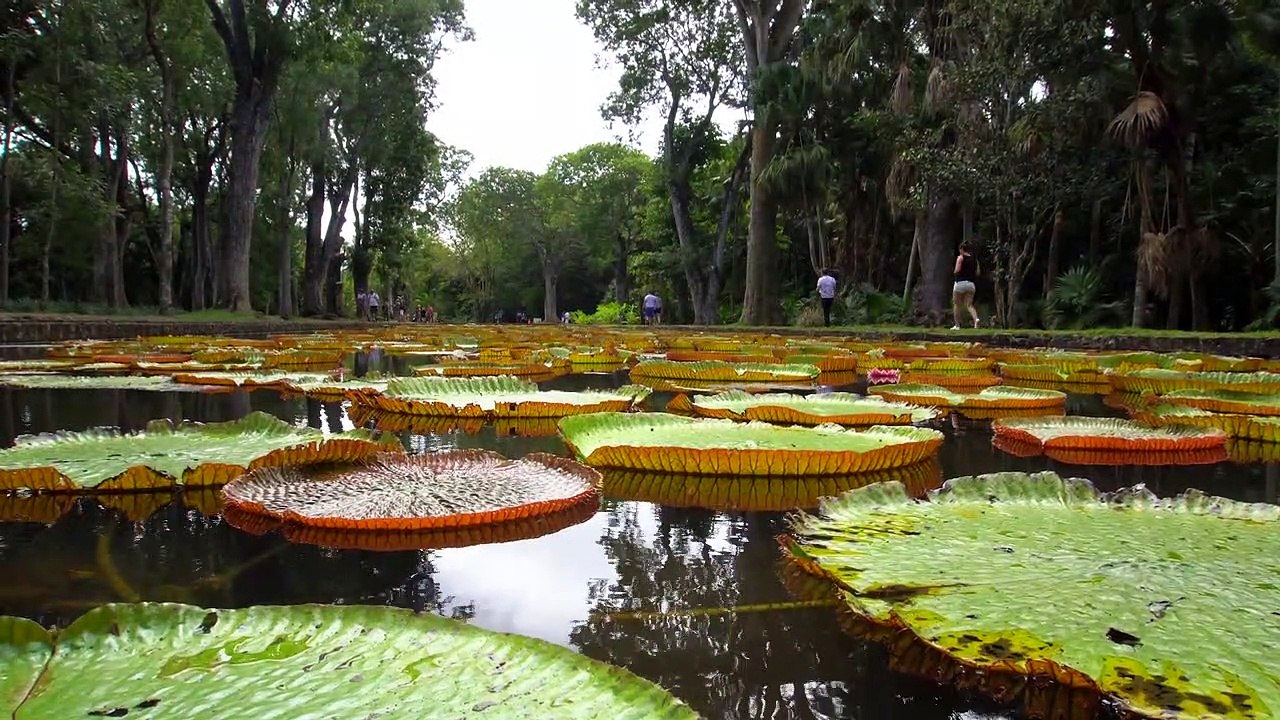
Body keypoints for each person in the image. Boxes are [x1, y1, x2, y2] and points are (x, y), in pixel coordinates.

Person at [952, 241, 981, 329]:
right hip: (971, 285)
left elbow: (957, 270)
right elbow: (978, 272)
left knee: (957, 304)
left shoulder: (961, 258)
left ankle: (957, 325)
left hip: (960, 283)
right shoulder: (974, 260)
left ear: (961, 249)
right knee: (969, 305)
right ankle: (976, 319)